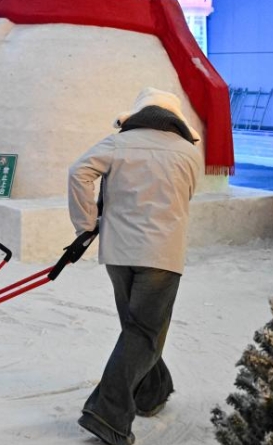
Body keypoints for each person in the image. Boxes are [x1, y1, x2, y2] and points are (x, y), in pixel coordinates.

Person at [66, 88, 203, 445]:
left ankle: (153, 391)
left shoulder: (117, 144)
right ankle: (106, 415)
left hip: (118, 253)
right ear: (175, 119)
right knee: (143, 332)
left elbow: (79, 172)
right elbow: (187, 195)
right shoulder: (188, 152)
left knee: (136, 328)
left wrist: (86, 224)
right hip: (162, 255)